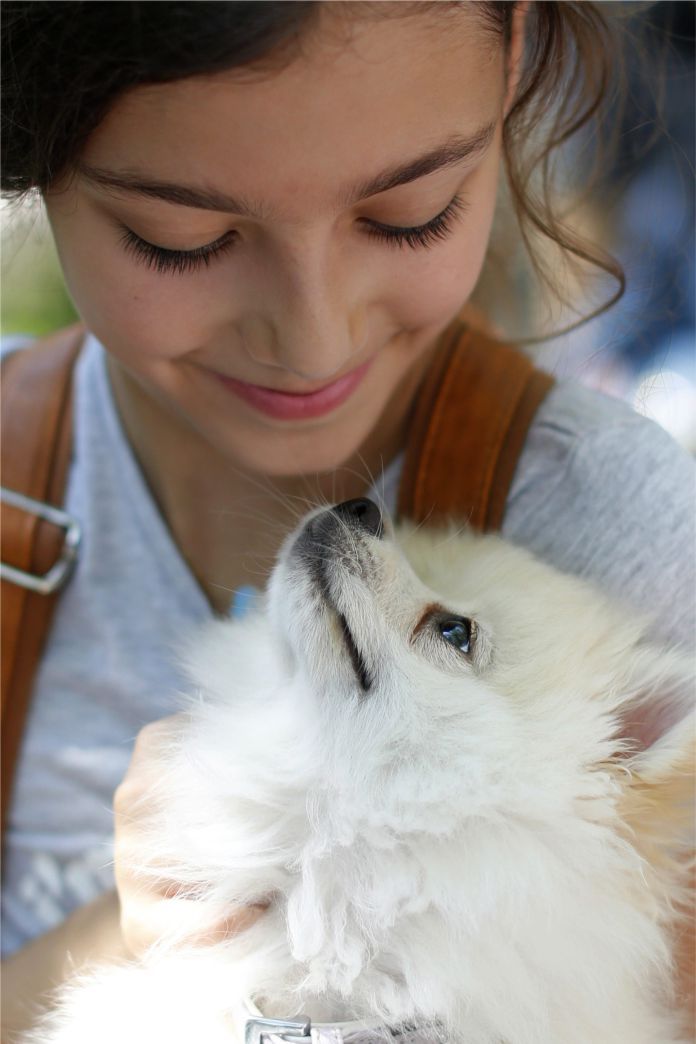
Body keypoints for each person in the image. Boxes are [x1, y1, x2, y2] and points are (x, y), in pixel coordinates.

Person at [1, 1, 694, 1037]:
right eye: (181, 238)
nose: (314, 342)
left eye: (409, 212)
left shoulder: (618, 538)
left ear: (509, 74)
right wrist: (126, 934)